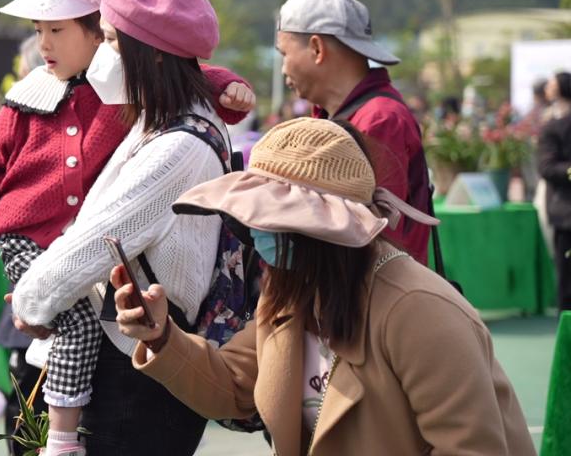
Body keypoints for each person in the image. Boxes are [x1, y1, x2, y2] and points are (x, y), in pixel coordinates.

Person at [0, 0, 253, 455]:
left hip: (140, 370)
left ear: (149, 55)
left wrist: (32, 300)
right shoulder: (159, 118)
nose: (100, 55)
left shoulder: (178, 146)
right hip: (131, 349)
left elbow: (99, 236)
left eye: (109, 39)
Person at [114, 117, 534, 456]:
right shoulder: (291, 294)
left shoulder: (419, 310)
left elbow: (470, 448)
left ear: (320, 232)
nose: (257, 235)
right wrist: (162, 336)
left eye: (271, 222)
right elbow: (234, 384)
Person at [275, 0, 432, 264]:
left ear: (316, 48)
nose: (284, 69)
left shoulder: (380, 119)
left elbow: (373, 236)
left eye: (284, 54)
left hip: (377, 299)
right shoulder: (338, 115)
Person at [537, 71, 571, 311]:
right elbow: (547, 168)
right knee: (568, 285)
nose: (547, 86)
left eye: (552, 82)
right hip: (567, 214)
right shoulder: (553, 127)